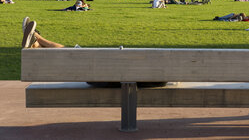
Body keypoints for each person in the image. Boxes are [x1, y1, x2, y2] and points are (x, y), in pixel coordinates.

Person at [21, 18, 168, 88]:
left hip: (100, 78)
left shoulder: (150, 73)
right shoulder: (159, 78)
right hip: (104, 78)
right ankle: (36, 42)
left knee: (75, 55)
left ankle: (37, 40)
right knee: (75, 55)